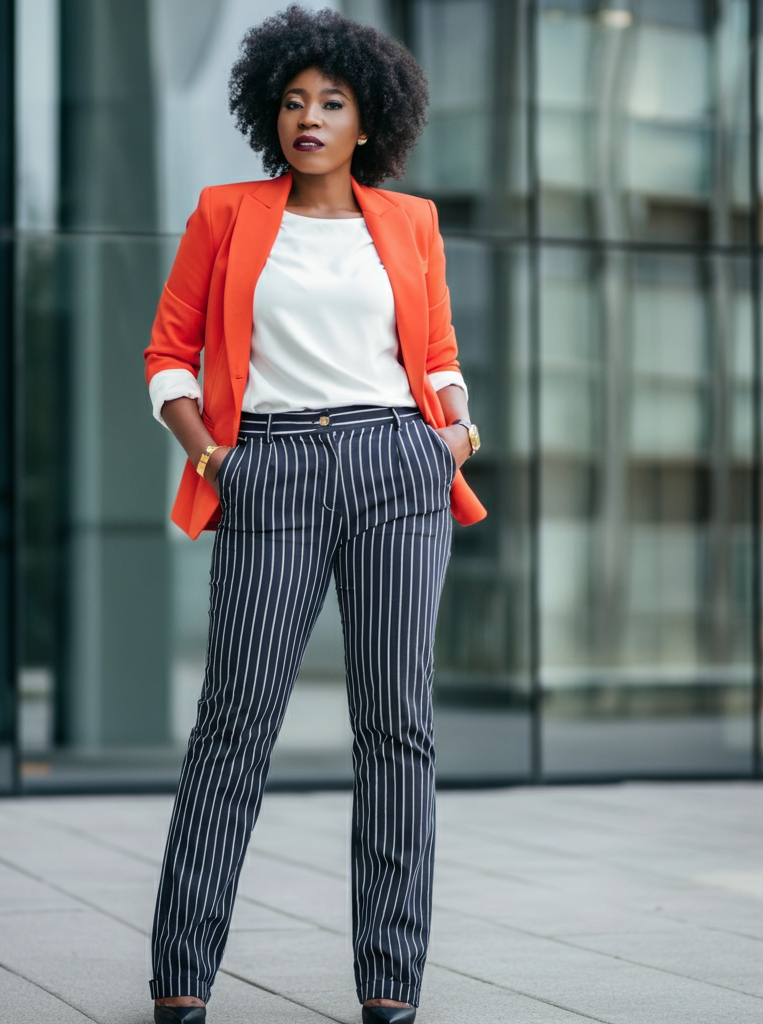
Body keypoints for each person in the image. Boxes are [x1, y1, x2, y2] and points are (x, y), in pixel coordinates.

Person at [143, 7, 486, 1023]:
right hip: (271, 466)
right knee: (233, 725)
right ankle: (182, 979)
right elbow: (168, 358)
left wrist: (454, 437)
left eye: (330, 101)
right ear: (269, 116)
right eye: (292, 101)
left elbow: (436, 359)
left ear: (367, 120)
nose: (308, 116)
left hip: (397, 464)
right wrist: (211, 454)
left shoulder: (410, 223)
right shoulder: (224, 215)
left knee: (396, 728)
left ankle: (390, 982)